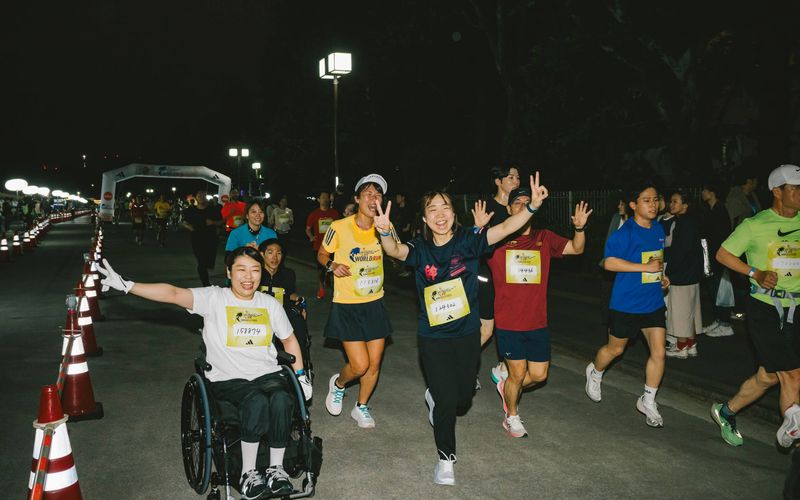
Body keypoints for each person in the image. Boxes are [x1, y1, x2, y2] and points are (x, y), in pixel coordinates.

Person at [96, 247, 312, 499]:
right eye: (241, 270)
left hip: (266, 374)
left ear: (262, 274)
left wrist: (300, 376)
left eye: (255, 270)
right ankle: (248, 473)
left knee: (283, 399)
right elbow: (173, 293)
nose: (248, 277)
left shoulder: (269, 304)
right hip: (228, 378)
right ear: (229, 272)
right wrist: (127, 285)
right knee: (256, 401)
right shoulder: (214, 298)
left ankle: (276, 470)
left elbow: (290, 341)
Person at [374, 173, 548, 485]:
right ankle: (445, 458)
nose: (439, 215)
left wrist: (532, 208)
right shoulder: (420, 248)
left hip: (467, 334)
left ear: (454, 214)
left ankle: (438, 398)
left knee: (463, 397)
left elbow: (506, 228)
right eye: (432, 210)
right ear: (425, 218)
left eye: (445, 208)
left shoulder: (469, 242)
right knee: (445, 400)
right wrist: (386, 232)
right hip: (433, 337)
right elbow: (395, 251)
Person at [487, 187, 592, 438]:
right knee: (518, 372)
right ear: (509, 210)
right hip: (509, 323)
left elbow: (576, 249)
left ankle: (507, 385)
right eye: (518, 203)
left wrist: (579, 229)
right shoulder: (496, 240)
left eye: (528, 202)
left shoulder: (543, 238)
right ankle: (512, 416)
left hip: (537, 322)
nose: (523, 206)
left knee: (539, 375)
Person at [711, 164, 800, 449]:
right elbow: (723, 254)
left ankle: (726, 411)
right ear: (777, 192)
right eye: (795, 188)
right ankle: (794, 430)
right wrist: (755, 273)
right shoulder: (755, 225)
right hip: (765, 309)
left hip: (797, 308)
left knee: (769, 376)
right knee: (793, 373)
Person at [584, 182, 670, 428]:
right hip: (626, 304)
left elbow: (656, 262)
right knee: (615, 350)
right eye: (646, 200)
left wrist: (662, 276)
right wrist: (644, 268)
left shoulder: (659, 229)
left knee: (660, 352)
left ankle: (648, 400)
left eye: (655, 200)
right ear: (633, 205)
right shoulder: (625, 233)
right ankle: (595, 372)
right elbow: (609, 263)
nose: (653, 205)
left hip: (652, 302)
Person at [319, 174, 393, 430]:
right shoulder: (339, 227)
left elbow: (394, 253)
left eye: (379, 195)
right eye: (369, 194)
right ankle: (338, 384)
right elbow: (321, 253)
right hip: (347, 304)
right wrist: (331, 265)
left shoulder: (385, 226)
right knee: (359, 365)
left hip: (375, 302)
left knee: (374, 364)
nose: (374, 199)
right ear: (358, 198)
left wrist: (387, 233)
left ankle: (361, 406)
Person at [479, 163, 521, 348]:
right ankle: (466, 369)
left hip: (514, 273)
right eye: (511, 177)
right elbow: (479, 242)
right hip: (488, 273)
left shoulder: (520, 207)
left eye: (518, 178)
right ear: (498, 181)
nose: (516, 181)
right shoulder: (487, 207)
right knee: (486, 328)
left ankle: (505, 367)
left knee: (513, 324)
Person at [258, 238, 311, 370]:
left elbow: (289, 294)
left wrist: (301, 301)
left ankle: (299, 366)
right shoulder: (255, 273)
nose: (274, 257)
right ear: (262, 254)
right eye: (270, 252)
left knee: (298, 321)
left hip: (282, 312)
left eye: (279, 253)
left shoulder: (288, 274)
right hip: (259, 313)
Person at [663, 190, 703, 358]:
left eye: (675, 201)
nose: (671, 204)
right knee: (691, 311)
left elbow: (680, 251)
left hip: (681, 274)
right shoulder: (691, 221)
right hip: (692, 274)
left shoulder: (683, 223)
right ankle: (691, 344)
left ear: (685, 205)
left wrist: (669, 271)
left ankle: (681, 348)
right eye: (671, 201)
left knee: (679, 312)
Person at [699, 181, 735, 337]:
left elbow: (720, 237)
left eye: (704, 190)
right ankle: (719, 320)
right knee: (715, 289)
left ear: (711, 192)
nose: (702, 193)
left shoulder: (720, 210)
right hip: (712, 256)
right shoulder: (712, 209)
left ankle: (725, 323)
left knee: (721, 290)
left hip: (719, 257)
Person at [183, 190, 223, 286]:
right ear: (196, 198)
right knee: (201, 263)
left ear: (206, 197)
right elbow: (184, 222)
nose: (201, 197)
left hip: (211, 239)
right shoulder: (191, 210)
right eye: (199, 196)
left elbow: (221, 222)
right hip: (197, 239)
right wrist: (189, 227)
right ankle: (206, 284)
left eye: (203, 196)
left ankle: (207, 267)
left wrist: (213, 223)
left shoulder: (213, 209)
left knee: (208, 262)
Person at [305, 191, 340, 299]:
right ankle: (321, 289)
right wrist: (311, 237)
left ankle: (334, 287)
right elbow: (307, 229)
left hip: (333, 247)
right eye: (323, 197)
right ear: (319, 200)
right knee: (320, 269)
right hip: (319, 246)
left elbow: (340, 228)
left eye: (327, 197)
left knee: (333, 268)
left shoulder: (334, 214)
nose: (325, 199)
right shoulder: (314, 214)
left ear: (329, 199)